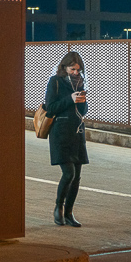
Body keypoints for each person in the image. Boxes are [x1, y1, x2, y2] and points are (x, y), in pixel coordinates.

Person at [45, 51, 89, 227]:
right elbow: (50, 108)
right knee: (68, 173)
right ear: (65, 67)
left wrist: (82, 101)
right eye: (73, 69)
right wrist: (70, 99)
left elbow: (83, 112)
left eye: (78, 70)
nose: (76, 73)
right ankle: (59, 207)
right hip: (61, 133)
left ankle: (69, 212)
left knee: (77, 176)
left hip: (77, 133)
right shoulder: (55, 82)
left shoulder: (80, 83)